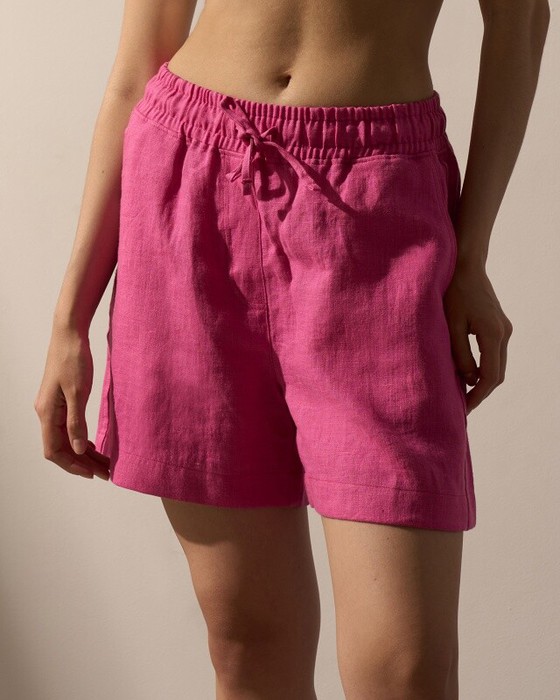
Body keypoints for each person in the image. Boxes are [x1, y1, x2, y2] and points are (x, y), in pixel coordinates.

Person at [34, 0, 549, 698]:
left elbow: (520, 24)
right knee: (248, 641)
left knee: (404, 671)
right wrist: (70, 317)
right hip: (189, 187)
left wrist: (471, 255)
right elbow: (136, 68)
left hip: (378, 213)